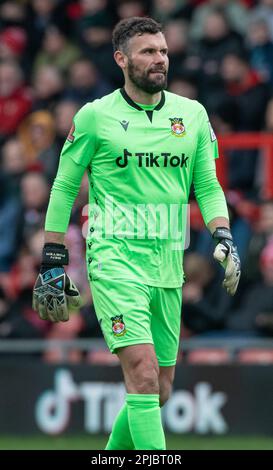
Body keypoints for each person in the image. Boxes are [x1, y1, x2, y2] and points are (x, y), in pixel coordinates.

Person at [32, 17, 241, 450]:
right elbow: (65, 185)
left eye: (163, 50)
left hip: (168, 260)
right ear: (121, 59)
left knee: (159, 388)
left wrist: (223, 234)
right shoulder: (94, 117)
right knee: (143, 372)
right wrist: (53, 256)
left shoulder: (193, 115)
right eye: (148, 52)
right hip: (114, 256)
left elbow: (207, 185)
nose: (159, 59)